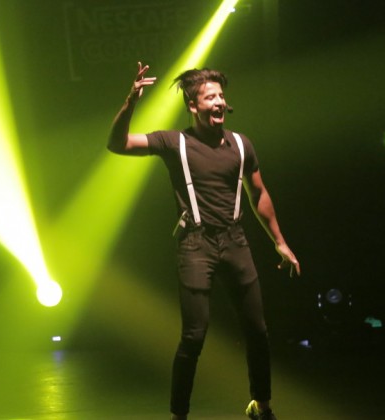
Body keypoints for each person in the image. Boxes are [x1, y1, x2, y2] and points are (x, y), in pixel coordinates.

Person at [108, 62, 300, 420]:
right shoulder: (174, 142)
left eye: (221, 96)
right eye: (210, 97)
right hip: (196, 244)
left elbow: (258, 193)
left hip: (235, 240)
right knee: (194, 336)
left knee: (257, 330)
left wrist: (279, 241)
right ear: (193, 106)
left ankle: (261, 405)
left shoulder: (241, 144)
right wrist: (131, 102)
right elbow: (118, 144)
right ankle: (178, 415)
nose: (219, 102)